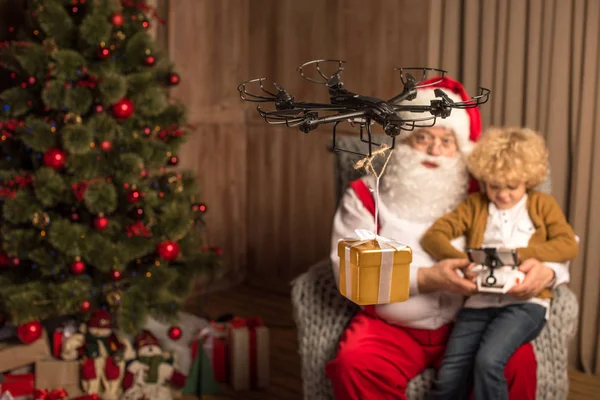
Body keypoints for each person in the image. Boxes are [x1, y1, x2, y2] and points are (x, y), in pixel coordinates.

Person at [324, 77, 572, 400]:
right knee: (353, 364)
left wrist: (551, 271)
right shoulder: (366, 196)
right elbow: (351, 273)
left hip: (473, 320)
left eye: (446, 140)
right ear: (405, 142)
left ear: (461, 149)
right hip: (392, 328)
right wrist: (428, 279)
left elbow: (551, 235)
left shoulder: (486, 193)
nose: (434, 150)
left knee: (516, 364)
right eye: (422, 137)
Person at [420, 127, 579, 400]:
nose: (503, 194)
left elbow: (568, 244)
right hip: (478, 303)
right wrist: (463, 262)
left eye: (512, 186)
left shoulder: (542, 204)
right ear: (484, 181)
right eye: (494, 186)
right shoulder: (475, 205)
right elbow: (433, 236)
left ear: (527, 180)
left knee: (488, 361)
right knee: (449, 376)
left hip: (525, 305)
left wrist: (519, 254)